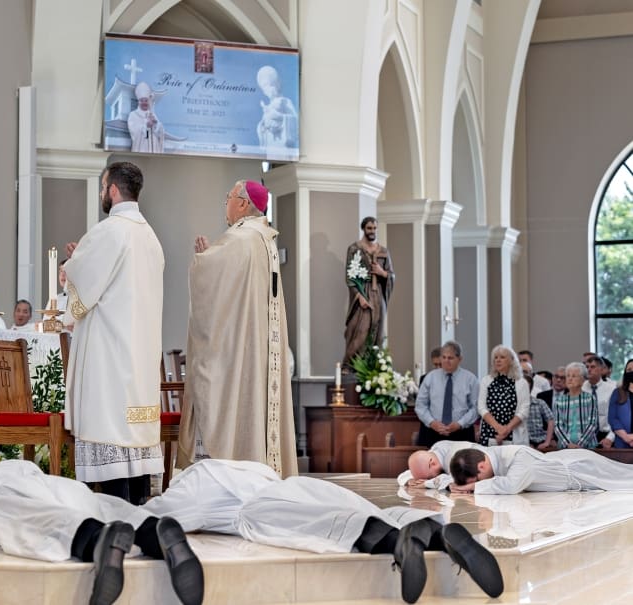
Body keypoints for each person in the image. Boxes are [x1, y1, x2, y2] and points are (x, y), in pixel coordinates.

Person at [145, 458, 502, 604]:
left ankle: (395, 542)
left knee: (330, 525)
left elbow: (155, 517)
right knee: (360, 509)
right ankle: (428, 531)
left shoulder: (189, 484)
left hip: (261, 509)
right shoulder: (237, 466)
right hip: (298, 485)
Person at [0, 460, 203, 605]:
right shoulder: (16, 464)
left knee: (9, 512)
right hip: (62, 487)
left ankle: (93, 540)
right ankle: (152, 530)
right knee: (101, 503)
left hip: (18, 497)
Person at [179, 180, 297, 478]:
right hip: (258, 348)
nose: (226, 204)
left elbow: (211, 287)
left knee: (226, 398)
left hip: (241, 353)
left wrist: (202, 261)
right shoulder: (265, 240)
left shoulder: (241, 239)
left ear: (243, 203)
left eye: (229, 197)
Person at [63, 161, 165, 503]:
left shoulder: (109, 231)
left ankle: (116, 513)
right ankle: (139, 511)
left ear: (112, 189)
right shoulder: (150, 237)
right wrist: (84, 261)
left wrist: (73, 267)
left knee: (111, 430)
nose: (101, 194)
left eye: (102, 186)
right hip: (140, 356)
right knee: (133, 442)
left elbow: (82, 295)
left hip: (110, 353)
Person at [449, 445, 633, 494]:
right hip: (571, 469)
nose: (482, 482)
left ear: (482, 466)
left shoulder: (517, 456)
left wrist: (474, 487)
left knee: (626, 478)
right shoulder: (487, 456)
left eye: (479, 480)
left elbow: (512, 485)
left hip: (581, 467)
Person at [343, 216, 395, 364]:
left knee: (377, 331)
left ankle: (373, 366)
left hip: (378, 294)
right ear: (363, 229)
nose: (372, 231)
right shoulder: (355, 249)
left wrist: (382, 272)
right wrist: (359, 296)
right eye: (369, 228)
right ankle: (350, 365)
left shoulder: (383, 251)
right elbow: (350, 277)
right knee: (359, 330)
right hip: (363, 292)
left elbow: (391, 275)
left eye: (374, 228)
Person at [413, 341, 480, 447]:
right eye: (443, 357)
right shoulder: (430, 378)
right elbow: (420, 405)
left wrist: (460, 424)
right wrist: (432, 422)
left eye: (450, 358)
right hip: (433, 432)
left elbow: (475, 408)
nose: (446, 361)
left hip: (462, 433)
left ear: (459, 359)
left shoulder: (470, 379)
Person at [477, 345, 530, 446]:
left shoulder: (521, 382)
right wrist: (498, 428)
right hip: (489, 432)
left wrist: (506, 429)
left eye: (502, 357)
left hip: (514, 433)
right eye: (495, 358)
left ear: (511, 360)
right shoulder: (486, 380)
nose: (498, 360)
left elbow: (524, 409)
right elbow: (481, 407)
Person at [400, 440, 488, 490]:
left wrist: (427, 483)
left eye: (430, 477)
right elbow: (403, 476)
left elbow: (453, 481)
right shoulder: (432, 455)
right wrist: (410, 480)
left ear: (433, 464)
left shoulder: (456, 457)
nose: (428, 479)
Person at [553, 361, 598, 449]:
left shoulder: (590, 398)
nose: (570, 379)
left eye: (574, 376)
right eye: (568, 376)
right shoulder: (559, 400)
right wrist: (567, 444)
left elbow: (592, 424)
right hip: (565, 447)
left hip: (587, 446)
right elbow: (557, 425)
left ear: (582, 380)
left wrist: (580, 444)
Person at [255, 65, 298, 151]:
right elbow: (263, 128)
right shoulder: (267, 108)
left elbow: (296, 123)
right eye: (264, 87)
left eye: (268, 85)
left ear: (275, 85)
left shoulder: (285, 101)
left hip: (283, 144)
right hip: (271, 146)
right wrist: (263, 125)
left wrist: (280, 117)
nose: (267, 90)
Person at [582, 355, 615, 448]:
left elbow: (616, 417)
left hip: (605, 435)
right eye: (587, 367)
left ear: (601, 369)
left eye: (592, 367)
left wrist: (610, 438)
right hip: (584, 436)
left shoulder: (611, 389)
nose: (589, 370)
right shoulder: (581, 388)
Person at [127, 82, 165, 153]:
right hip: (142, 148)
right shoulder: (133, 115)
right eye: (142, 101)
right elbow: (135, 133)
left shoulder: (152, 114)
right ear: (138, 102)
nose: (144, 103)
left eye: (146, 100)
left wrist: (156, 125)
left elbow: (160, 131)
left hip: (154, 149)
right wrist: (146, 126)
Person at [522, 368, 554, 450]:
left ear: (531, 389)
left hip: (540, 439)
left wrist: (547, 441)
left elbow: (551, 420)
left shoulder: (539, 403)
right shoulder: (514, 405)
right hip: (524, 440)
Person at [608, 358, 633, 448]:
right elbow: (612, 419)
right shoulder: (617, 392)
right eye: (629, 370)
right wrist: (626, 437)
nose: (631, 372)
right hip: (622, 443)